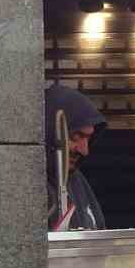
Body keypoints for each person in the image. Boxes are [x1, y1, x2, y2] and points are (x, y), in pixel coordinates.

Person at [45, 83, 109, 230]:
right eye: (76, 136)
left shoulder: (76, 180)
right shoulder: (26, 184)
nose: (84, 150)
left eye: (88, 139)